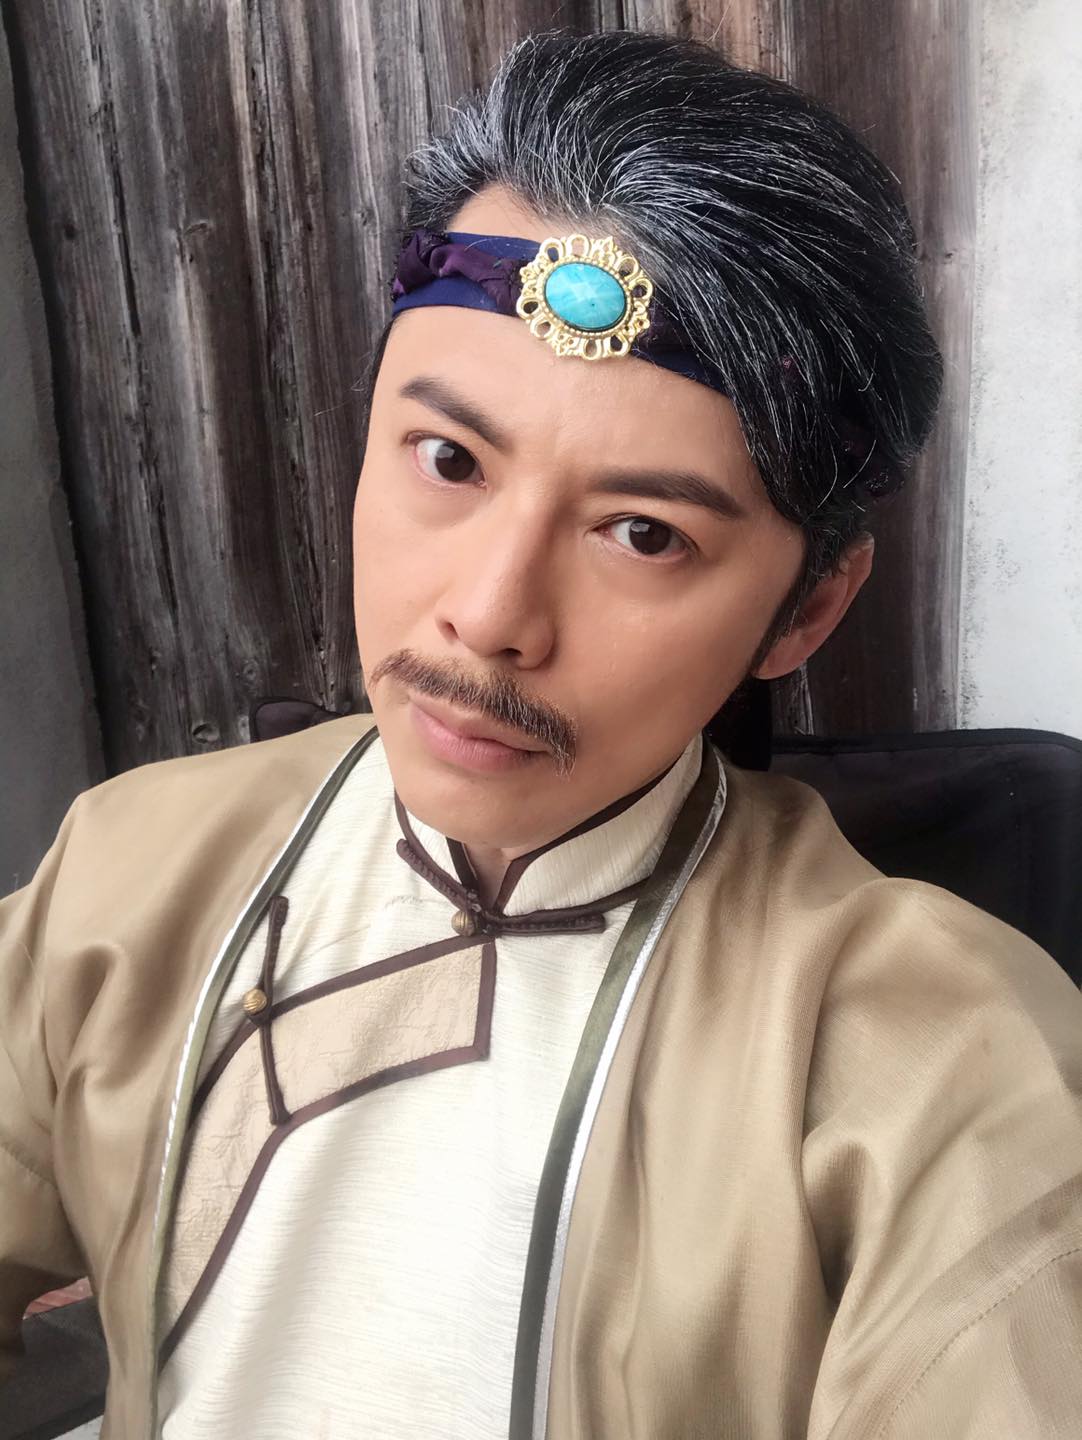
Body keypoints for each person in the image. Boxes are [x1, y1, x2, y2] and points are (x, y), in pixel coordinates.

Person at [2, 27, 1081, 1440]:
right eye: (448, 460)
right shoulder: (135, 866)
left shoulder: (935, 1068)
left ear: (805, 609)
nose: (490, 615)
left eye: (643, 534)